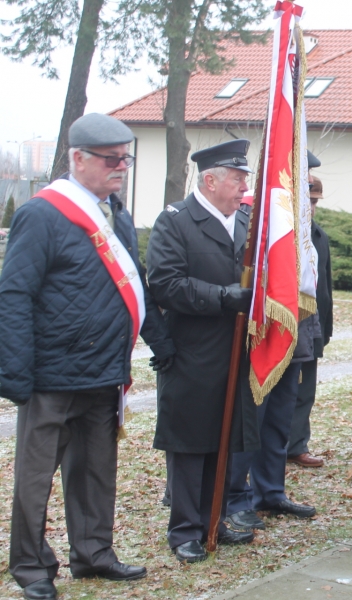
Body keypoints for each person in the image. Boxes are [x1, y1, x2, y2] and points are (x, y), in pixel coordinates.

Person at [0, 113, 174, 600]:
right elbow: (14, 294)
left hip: (103, 372)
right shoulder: (42, 214)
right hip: (50, 375)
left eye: (126, 159)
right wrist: (15, 372)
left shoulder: (116, 213)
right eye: (110, 159)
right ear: (77, 158)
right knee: (35, 479)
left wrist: (162, 342)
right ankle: (32, 567)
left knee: (96, 472)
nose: (121, 167)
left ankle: (94, 553)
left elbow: (134, 283)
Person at [146, 139, 262, 564]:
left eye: (245, 179)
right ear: (210, 181)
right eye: (237, 180)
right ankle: (184, 529)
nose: (244, 188)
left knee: (223, 437)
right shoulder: (175, 221)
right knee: (189, 442)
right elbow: (165, 284)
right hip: (191, 351)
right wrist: (224, 297)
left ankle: (214, 517)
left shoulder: (244, 221)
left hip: (235, 351)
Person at [225, 176, 323, 532]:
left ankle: (270, 491)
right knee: (250, 424)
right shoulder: (253, 221)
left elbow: (313, 284)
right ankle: (235, 497)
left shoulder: (302, 229)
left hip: (294, 337)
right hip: (263, 339)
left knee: (279, 423)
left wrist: (313, 337)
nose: (310, 204)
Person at [287, 173, 333, 468]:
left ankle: (297, 444)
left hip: (313, 325)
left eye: (315, 202)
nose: (312, 208)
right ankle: (275, 446)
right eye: (309, 202)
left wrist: (326, 328)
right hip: (288, 323)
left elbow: (325, 285)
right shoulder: (284, 233)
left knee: (305, 391)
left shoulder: (318, 236)